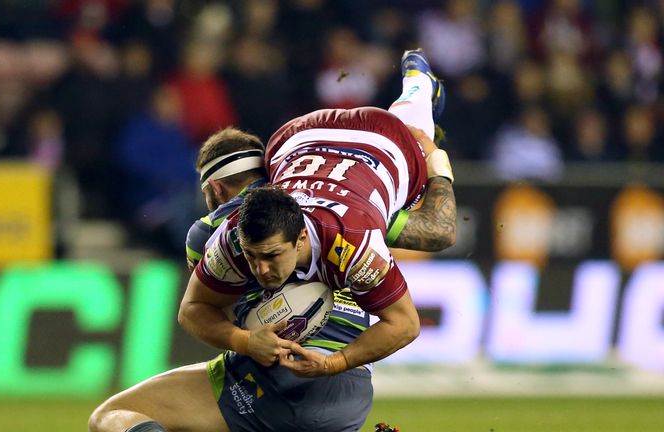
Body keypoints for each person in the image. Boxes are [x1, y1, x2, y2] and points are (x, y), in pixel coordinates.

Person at [90, 49, 456, 432]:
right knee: (414, 127)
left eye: (270, 256)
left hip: (323, 140)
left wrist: (251, 342)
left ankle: (418, 90)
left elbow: (199, 308)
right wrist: (438, 167)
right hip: (303, 141)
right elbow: (438, 231)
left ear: (214, 190)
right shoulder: (353, 227)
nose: (262, 269)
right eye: (253, 257)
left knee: (112, 419)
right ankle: (417, 86)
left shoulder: (213, 234)